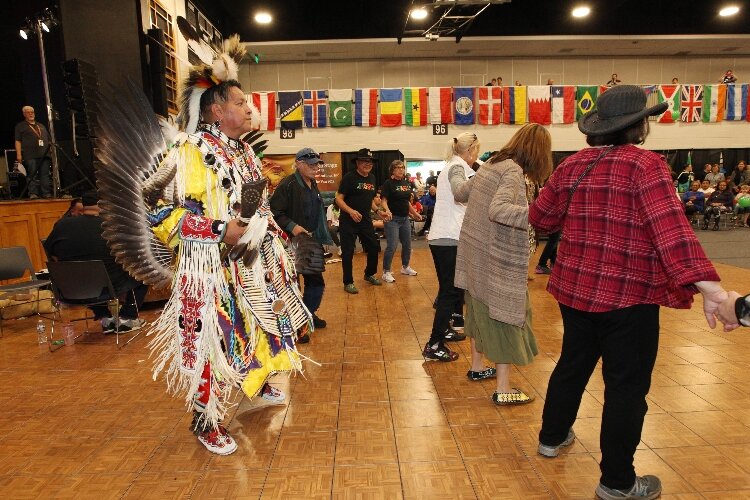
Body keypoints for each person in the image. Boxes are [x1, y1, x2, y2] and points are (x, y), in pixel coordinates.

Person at [529, 85, 730, 500]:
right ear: (639, 125)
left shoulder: (573, 165)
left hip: (576, 290)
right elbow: (670, 230)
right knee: (625, 387)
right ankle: (617, 482)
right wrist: (713, 291)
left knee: (572, 364)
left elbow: (541, 217)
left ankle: (551, 437)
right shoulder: (646, 165)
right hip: (627, 297)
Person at [148, 42, 311, 455]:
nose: (250, 108)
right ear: (216, 110)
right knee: (213, 342)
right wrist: (221, 230)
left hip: (248, 267)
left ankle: (255, 387)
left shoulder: (242, 152)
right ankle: (206, 421)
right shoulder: (189, 152)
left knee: (252, 330)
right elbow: (160, 213)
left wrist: (274, 242)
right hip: (209, 271)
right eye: (240, 102)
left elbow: (259, 206)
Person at [455, 123, 552, 405]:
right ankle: (503, 389)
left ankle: (476, 367)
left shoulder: (492, 163)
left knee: (477, 310)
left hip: (475, 255)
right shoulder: (511, 171)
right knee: (506, 316)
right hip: (496, 258)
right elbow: (498, 210)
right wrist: (536, 212)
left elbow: (461, 193)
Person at [44, 190, 148, 332]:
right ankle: (127, 318)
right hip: (107, 287)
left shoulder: (62, 225)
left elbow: (50, 252)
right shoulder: (112, 227)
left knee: (89, 273)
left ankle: (104, 317)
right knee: (144, 273)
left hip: (70, 288)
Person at [422, 133, 480, 362]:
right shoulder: (457, 168)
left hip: (444, 236)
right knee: (449, 292)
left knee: (451, 290)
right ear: (471, 150)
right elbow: (460, 193)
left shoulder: (453, 165)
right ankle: (434, 344)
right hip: (449, 237)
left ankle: (445, 329)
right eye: (476, 151)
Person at [270, 147, 332, 342]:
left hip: (309, 242)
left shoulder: (312, 183)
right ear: (299, 164)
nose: (315, 168)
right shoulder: (287, 185)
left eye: (317, 164)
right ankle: (297, 325)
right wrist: (293, 226)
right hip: (290, 242)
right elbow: (274, 212)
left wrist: (324, 237)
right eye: (311, 164)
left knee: (316, 282)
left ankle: (307, 315)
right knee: (292, 284)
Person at [336, 148, 383, 294]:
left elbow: (369, 200)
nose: (367, 164)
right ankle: (348, 282)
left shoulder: (372, 178)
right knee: (348, 252)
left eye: (369, 161)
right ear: (357, 162)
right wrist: (350, 211)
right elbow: (338, 199)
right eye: (364, 161)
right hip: (348, 221)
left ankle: (369, 274)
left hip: (365, 221)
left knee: (374, 247)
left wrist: (378, 211)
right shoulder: (349, 178)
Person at [380, 160, 422, 283]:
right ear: (392, 170)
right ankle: (386, 272)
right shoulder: (388, 183)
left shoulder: (406, 183)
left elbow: (406, 202)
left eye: (402, 167)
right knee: (392, 246)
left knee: (407, 245)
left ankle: (405, 267)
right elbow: (383, 200)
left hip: (405, 219)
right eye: (397, 168)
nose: (401, 170)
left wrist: (415, 214)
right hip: (392, 220)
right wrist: (387, 210)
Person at [14, 105, 52, 199]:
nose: (31, 114)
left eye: (32, 112)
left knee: (44, 174)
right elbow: (18, 141)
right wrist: (18, 154)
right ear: (24, 114)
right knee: (32, 174)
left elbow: (49, 140)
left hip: (44, 154)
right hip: (30, 155)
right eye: (28, 112)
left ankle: (46, 193)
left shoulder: (41, 125)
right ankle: (33, 193)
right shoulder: (21, 126)